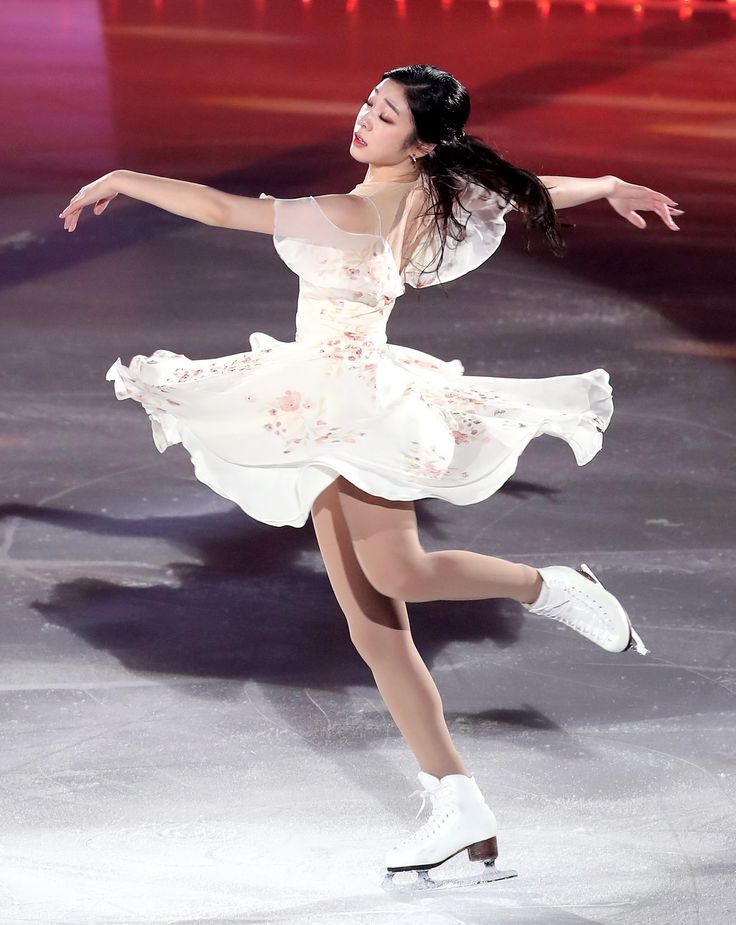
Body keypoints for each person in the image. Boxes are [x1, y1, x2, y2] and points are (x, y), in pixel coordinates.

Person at [59, 63, 680, 889]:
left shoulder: (353, 210)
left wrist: (126, 176)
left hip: (351, 402)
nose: (364, 119)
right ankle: (458, 808)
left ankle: (550, 586)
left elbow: (222, 208)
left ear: (418, 139)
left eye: (384, 114)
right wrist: (604, 183)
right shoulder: (442, 185)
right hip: (320, 402)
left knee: (399, 572)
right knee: (372, 623)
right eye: (367, 102)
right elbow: (525, 189)